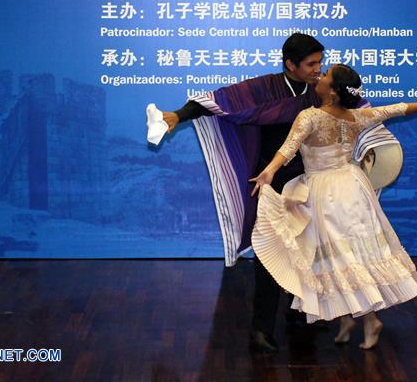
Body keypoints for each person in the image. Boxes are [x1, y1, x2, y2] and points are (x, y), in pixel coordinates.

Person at [151, 33, 401, 353]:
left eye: (321, 63)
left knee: (311, 252)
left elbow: (360, 115)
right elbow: (217, 101)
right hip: (270, 183)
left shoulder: (324, 92)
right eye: (312, 64)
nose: (318, 69)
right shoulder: (263, 89)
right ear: (290, 65)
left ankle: (300, 313)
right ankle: (260, 329)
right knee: (270, 256)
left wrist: (374, 151)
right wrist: (177, 116)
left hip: (313, 185)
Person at [248, 64, 417, 349]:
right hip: (351, 188)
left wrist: (270, 171)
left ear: (334, 91)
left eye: (325, 75)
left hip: (325, 193)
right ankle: (350, 316)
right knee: (347, 255)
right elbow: (396, 109)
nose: (320, 76)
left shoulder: (310, 116)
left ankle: (370, 319)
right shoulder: (357, 116)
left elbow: (288, 148)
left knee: (345, 256)